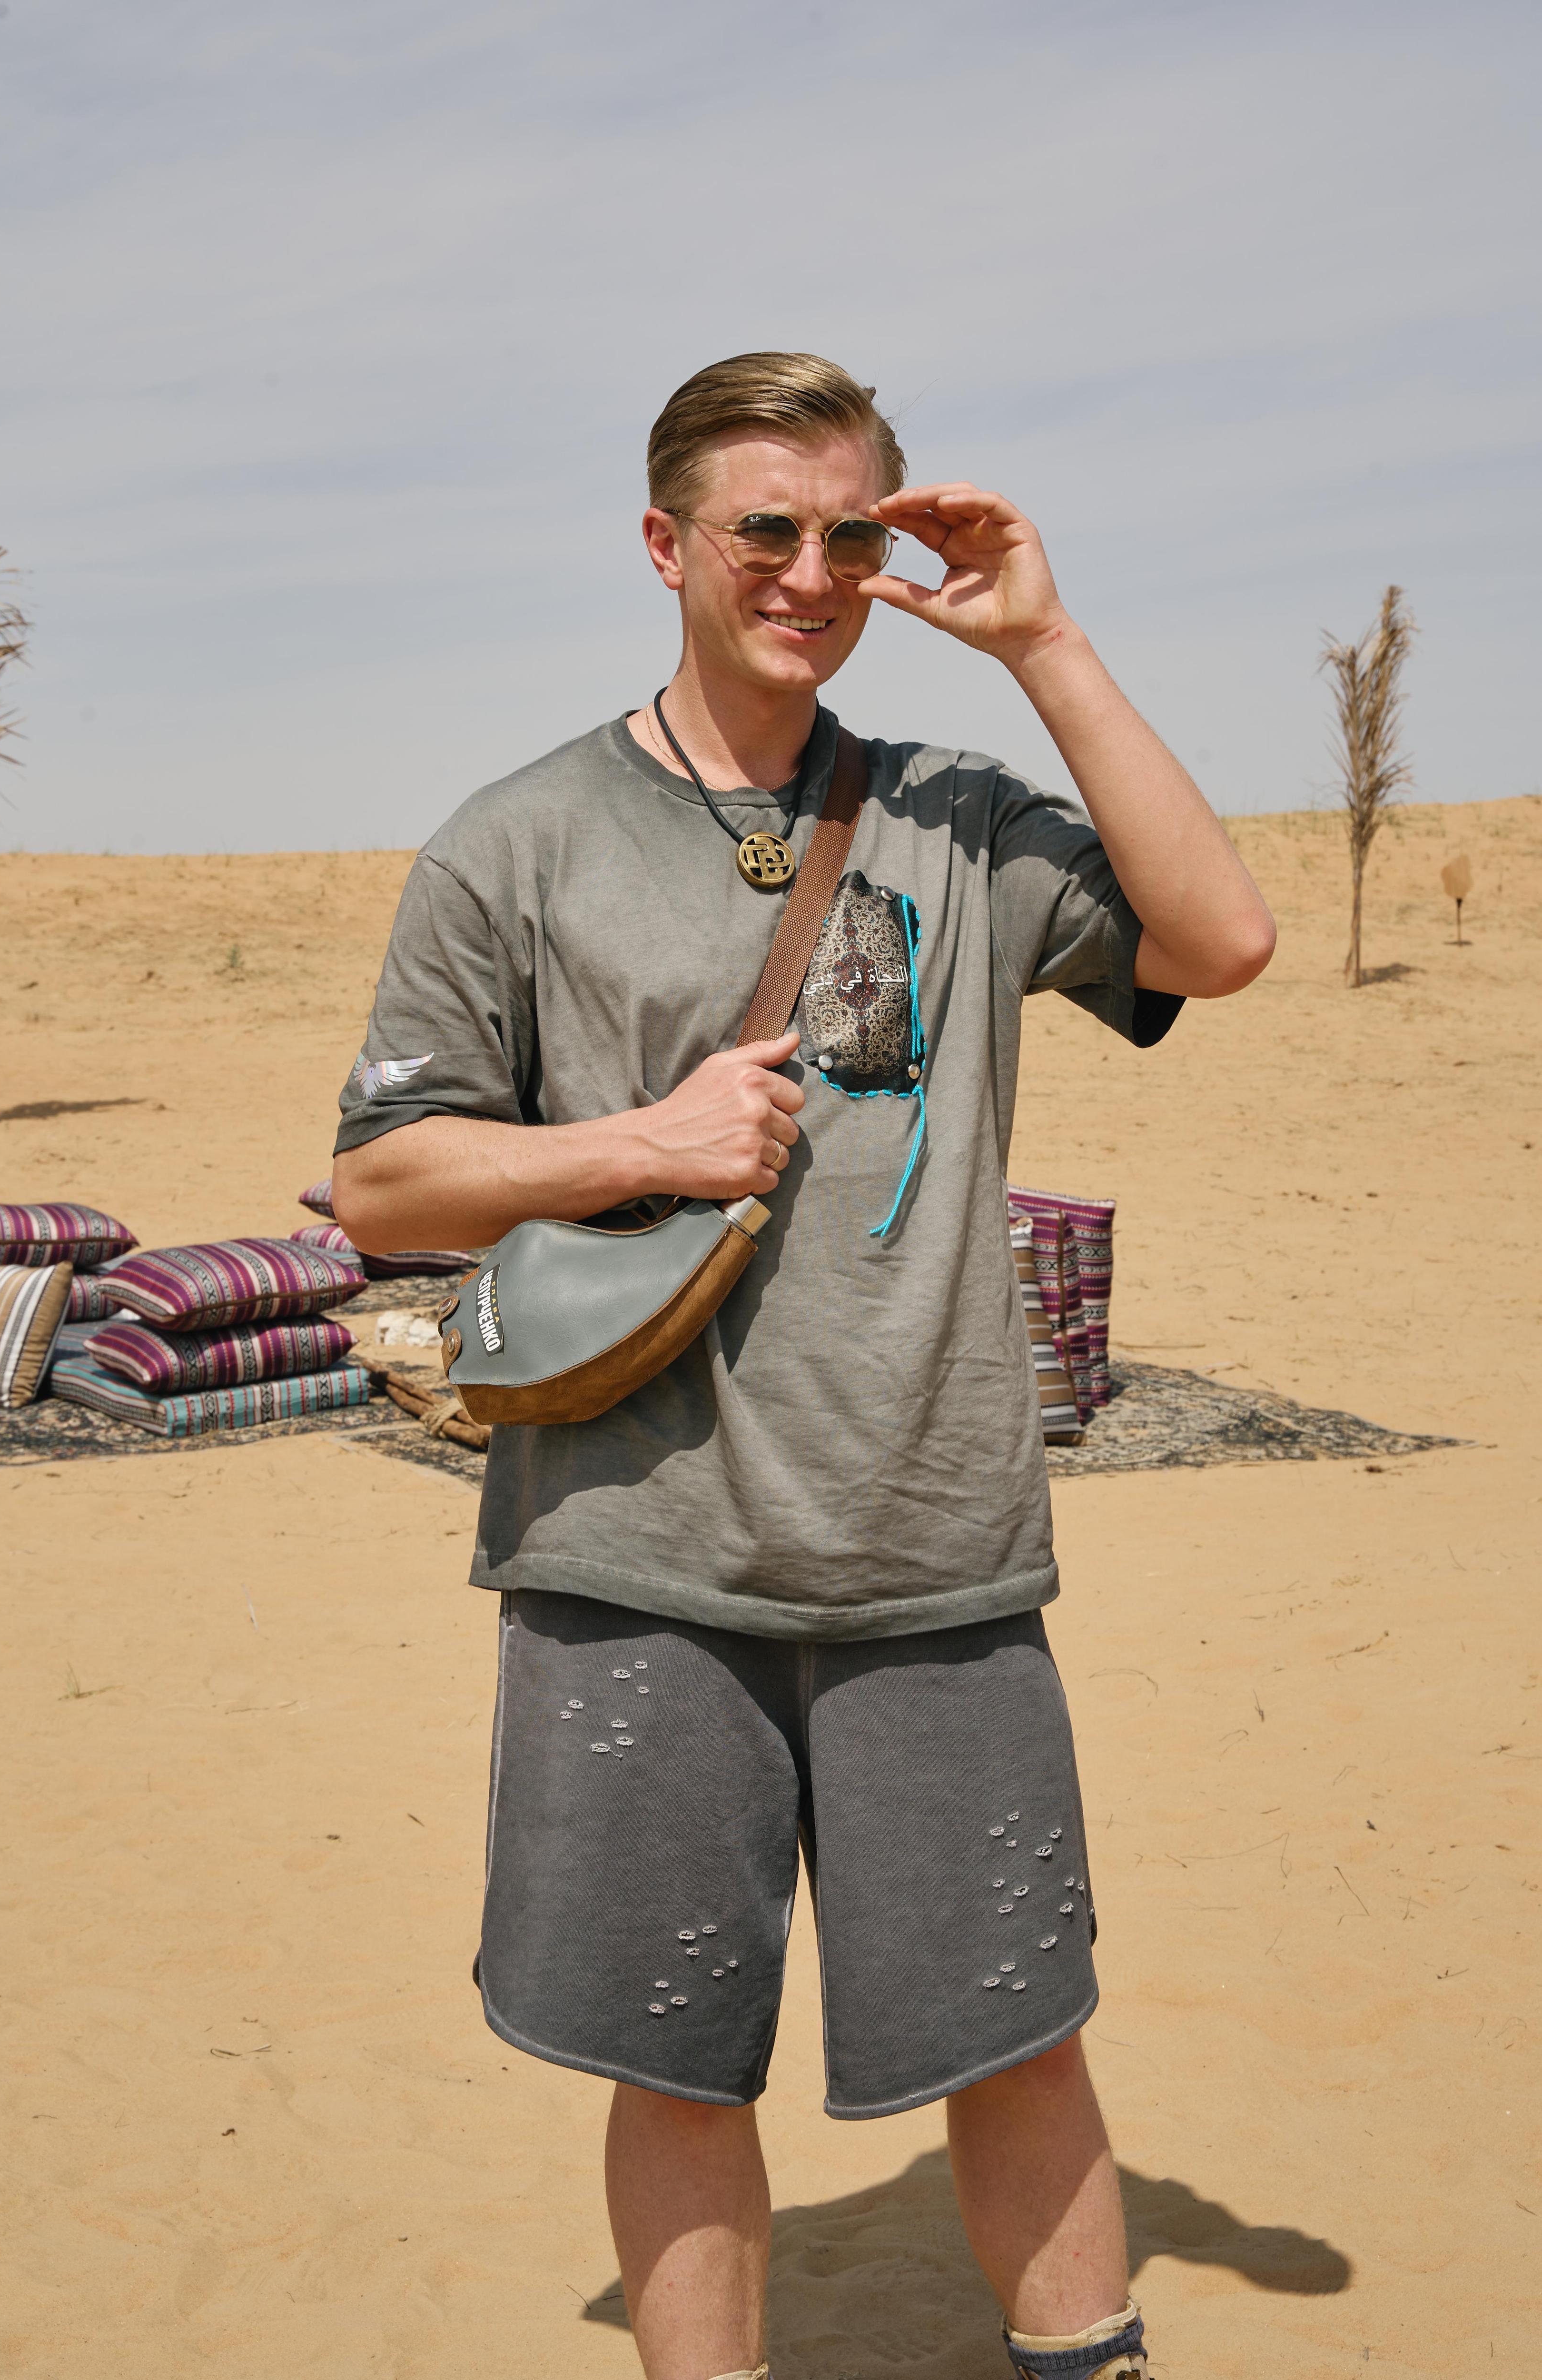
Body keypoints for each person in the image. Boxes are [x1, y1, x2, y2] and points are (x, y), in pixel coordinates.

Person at [332, 352, 1275, 2380]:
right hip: (635, 1555)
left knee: (1020, 2036)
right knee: (677, 2057)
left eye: (852, 534)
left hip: (936, 1551)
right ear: (663, 542)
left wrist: (1046, 644)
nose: (811, 572)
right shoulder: (519, 839)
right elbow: (385, 1180)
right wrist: (639, 1144)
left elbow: (1221, 941)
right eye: (766, 527)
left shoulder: (956, 818)